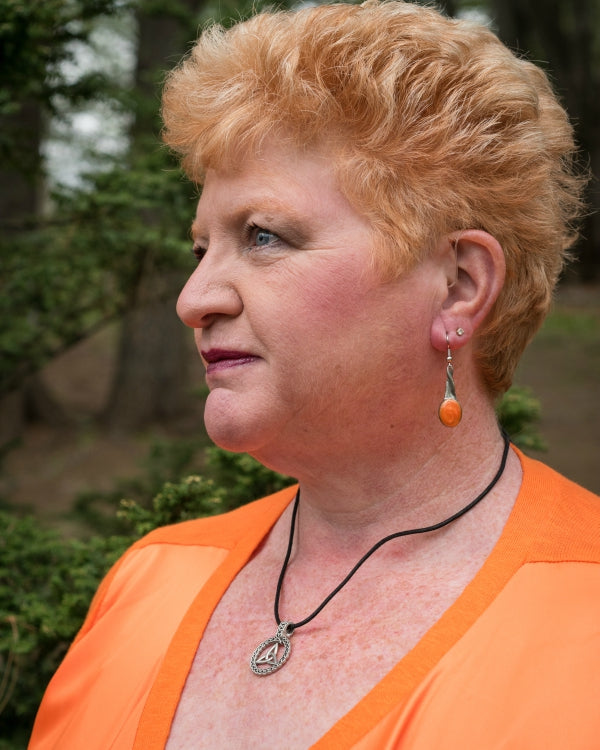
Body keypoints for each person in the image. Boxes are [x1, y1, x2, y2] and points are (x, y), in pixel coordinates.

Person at [29, 2, 599, 749]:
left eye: (263, 237)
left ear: (459, 287)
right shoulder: (148, 582)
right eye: (201, 248)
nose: (193, 299)